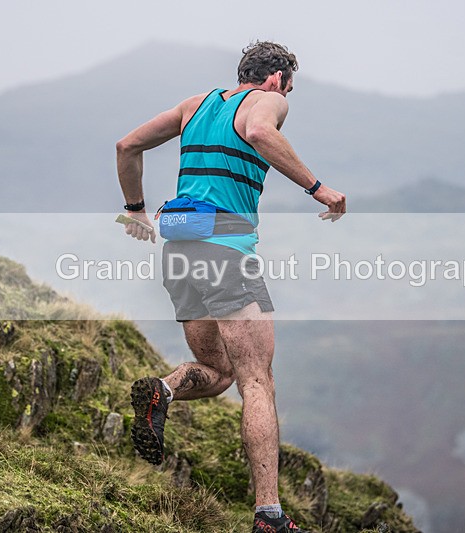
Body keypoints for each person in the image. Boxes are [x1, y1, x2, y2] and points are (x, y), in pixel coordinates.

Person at [116, 41, 346, 533]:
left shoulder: (193, 105)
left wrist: (136, 208)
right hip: (225, 249)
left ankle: (164, 389)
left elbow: (127, 145)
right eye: (290, 86)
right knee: (257, 382)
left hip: (180, 248)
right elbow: (261, 131)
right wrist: (317, 188)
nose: (288, 97)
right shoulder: (268, 101)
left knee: (217, 370)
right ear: (275, 78)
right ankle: (269, 516)